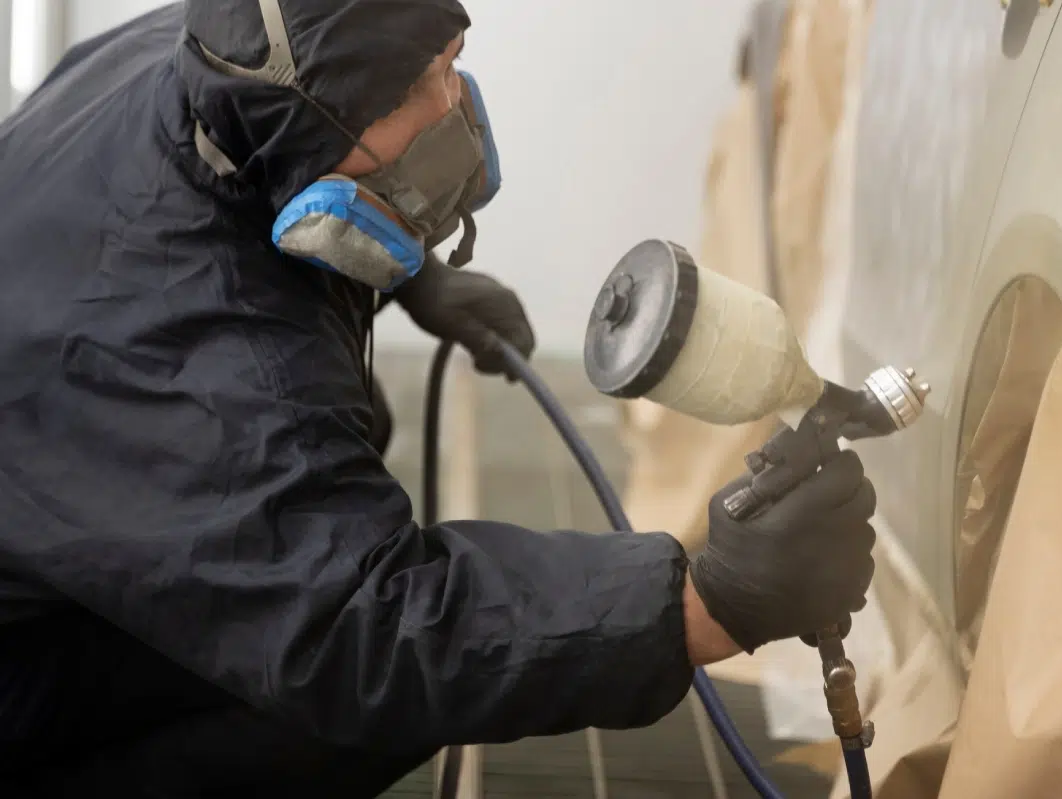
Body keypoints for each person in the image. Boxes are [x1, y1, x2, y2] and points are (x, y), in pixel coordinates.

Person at [0, 1, 878, 796]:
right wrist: (699, 605)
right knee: (356, 702)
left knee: (352, 423)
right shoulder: (194, 364)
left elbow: (271, 166)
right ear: (317, 128)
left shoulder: (217, 56)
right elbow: (369, 630)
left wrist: (401, 267)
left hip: (48, 500)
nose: (453, 103)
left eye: (452, 58)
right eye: (420, 88)